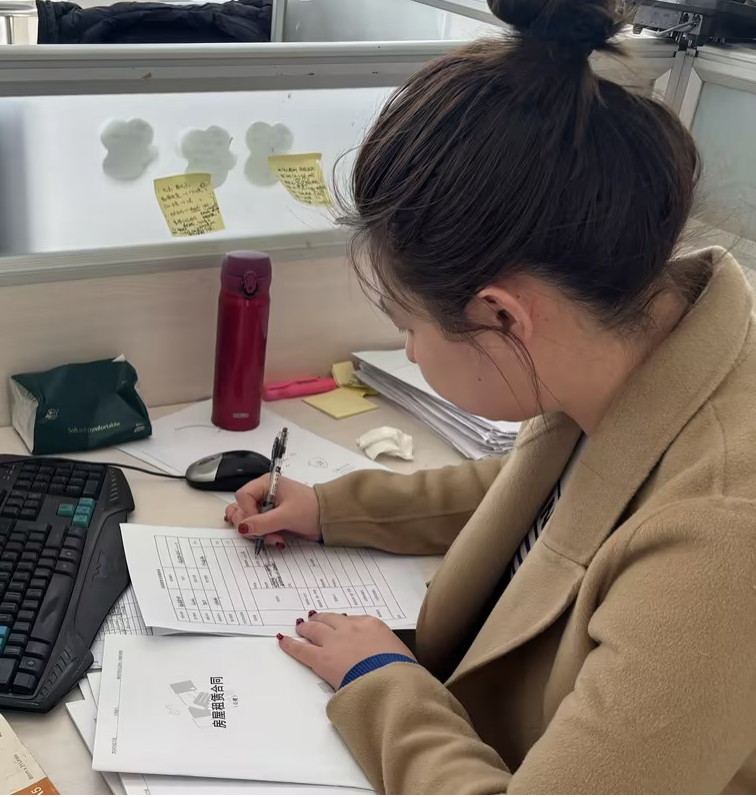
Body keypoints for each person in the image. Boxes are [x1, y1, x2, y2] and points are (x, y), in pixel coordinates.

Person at [226, 0, 756, 792]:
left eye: (407, 324)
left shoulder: (724, 539)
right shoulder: (624, 343)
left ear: (503, 315)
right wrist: (333, 507)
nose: (408, 350)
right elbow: (544, 495)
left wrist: (381, 681)